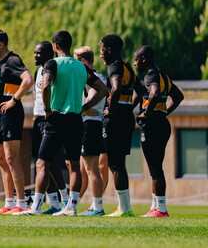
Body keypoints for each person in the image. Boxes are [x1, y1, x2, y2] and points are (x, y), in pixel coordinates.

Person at [17, 31, 106, 216]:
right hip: (76, 120)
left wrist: (48, 110)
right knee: (73, 165)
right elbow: (102, 89)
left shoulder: (52, 63)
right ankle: (71, 207)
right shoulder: (81, 67)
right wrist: (85, 106)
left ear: (55, 45)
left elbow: (47, 84)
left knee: (43, 163)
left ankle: (35, 207)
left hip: (56, 119)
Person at [134, 45, 184, 218]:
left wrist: (147, 114)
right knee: (156, 167)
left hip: (153, 124)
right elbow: (178, 96)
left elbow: (154, 94)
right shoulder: (163, 75)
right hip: (162, 123)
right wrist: (164, 112)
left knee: (154, 168)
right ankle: (156, 207)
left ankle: (161, 209)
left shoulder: (151, 76)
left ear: (144, 59)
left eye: (136, 59)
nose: (135, 63)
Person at [0, 29, 33, 214]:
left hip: (10, 114)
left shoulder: (13, 60)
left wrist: (14, 100)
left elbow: (28, 80)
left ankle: (21, 204)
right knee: (1, 160)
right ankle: (8, 203)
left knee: (12, 158)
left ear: (1, 44)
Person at [99, 34, 142, 217]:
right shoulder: (127, 67)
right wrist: (128, 107)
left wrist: (111, 108)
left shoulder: (114, 67)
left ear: (109, 49)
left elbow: (115, 89)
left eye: (101, 50)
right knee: (119, 164)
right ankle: (124, 207)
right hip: (126, 118)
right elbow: (141, 91)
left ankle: (124, 209)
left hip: (115, 120)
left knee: (115, 164)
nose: (100, 55)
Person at [26, 42, 65, 213]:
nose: (35, 55)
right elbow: (36, 93)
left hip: (51, 119)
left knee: (50, 162)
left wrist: (49, 110)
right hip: (38, 118)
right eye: (34, 53)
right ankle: (54, 203)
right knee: (41, 162)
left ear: (50, 53)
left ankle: (63, 198)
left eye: (39, 53)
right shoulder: (38, 71)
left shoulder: (54, 68)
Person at [74, 46, 107, 216]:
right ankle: (92, 205)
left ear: (83, 61)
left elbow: (95, 93)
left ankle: (97, 207)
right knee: (88, 168)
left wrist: (84, 107)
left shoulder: (93, 79)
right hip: (93, 124)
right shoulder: (99, 77)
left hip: (90, 124)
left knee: (91, 168)